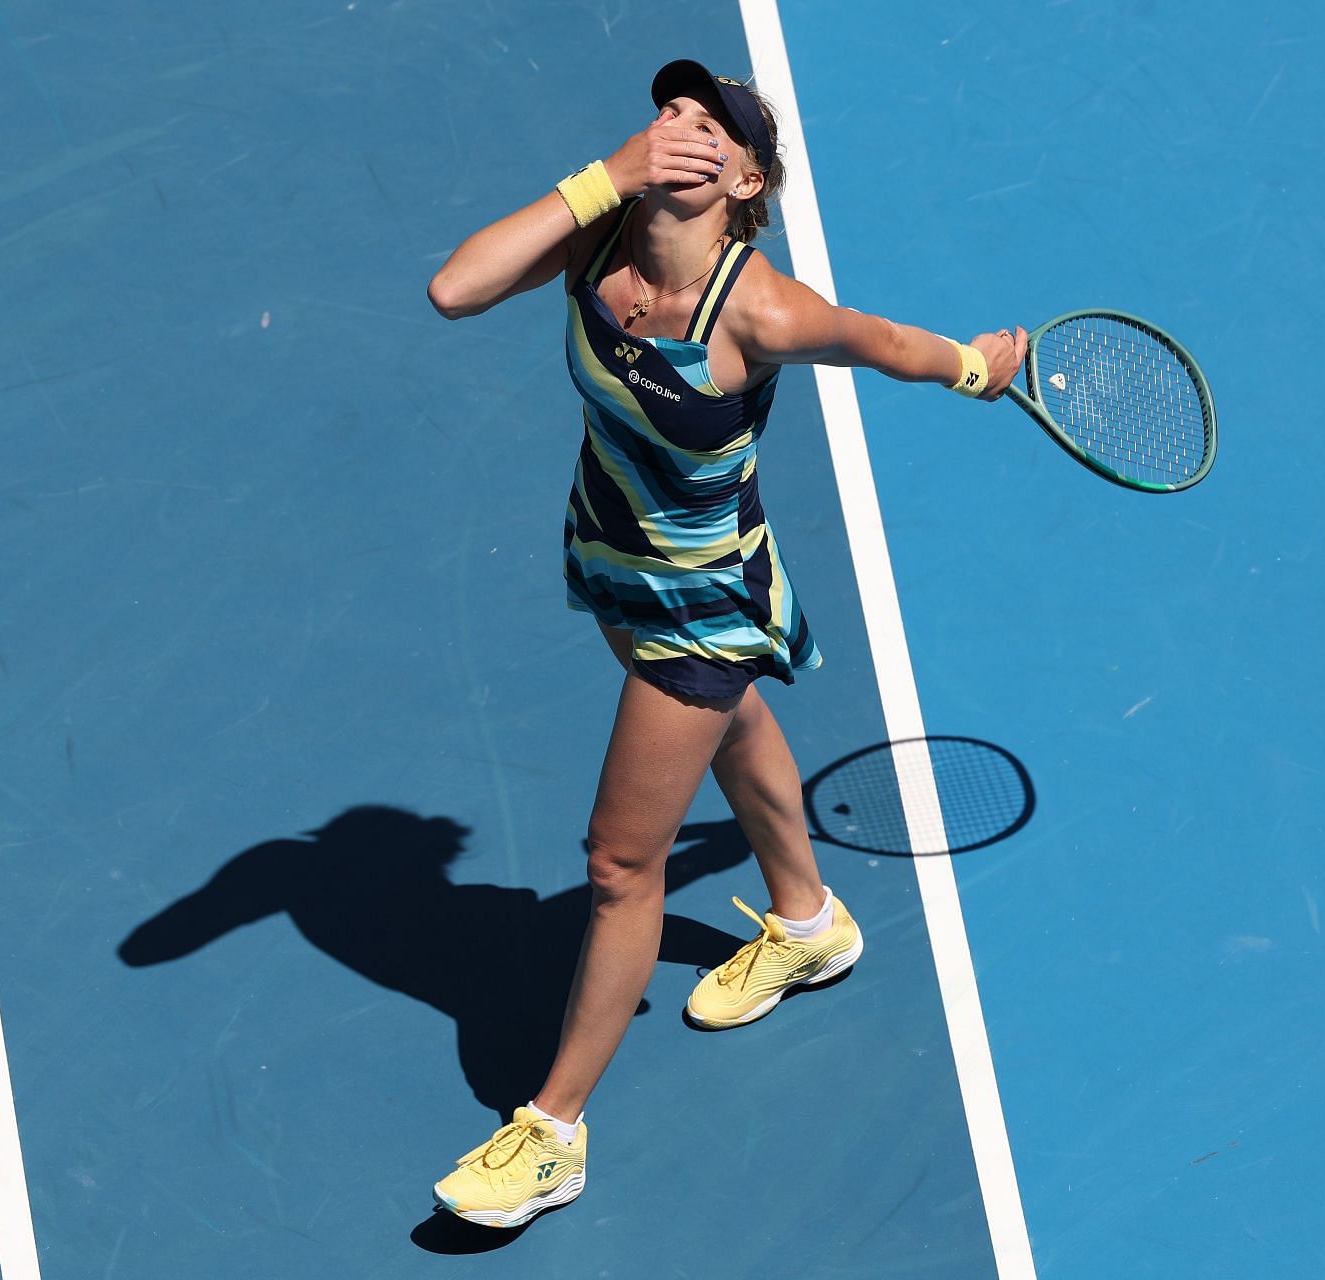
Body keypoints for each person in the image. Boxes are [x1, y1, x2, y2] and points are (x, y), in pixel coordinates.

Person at [422, 60, 1026, 1229]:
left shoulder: (761, 309)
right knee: (732, 726)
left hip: (702, 607)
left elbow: (883, 339)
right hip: (608, 549)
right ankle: (809, 920)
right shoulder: (596, 240)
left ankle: (553, 1132)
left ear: (745, 179)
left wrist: (971, 366)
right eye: (673, 112)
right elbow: (456, 288)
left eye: (713, 127)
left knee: (617, 863)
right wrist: (607, 176)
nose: (680, 127)